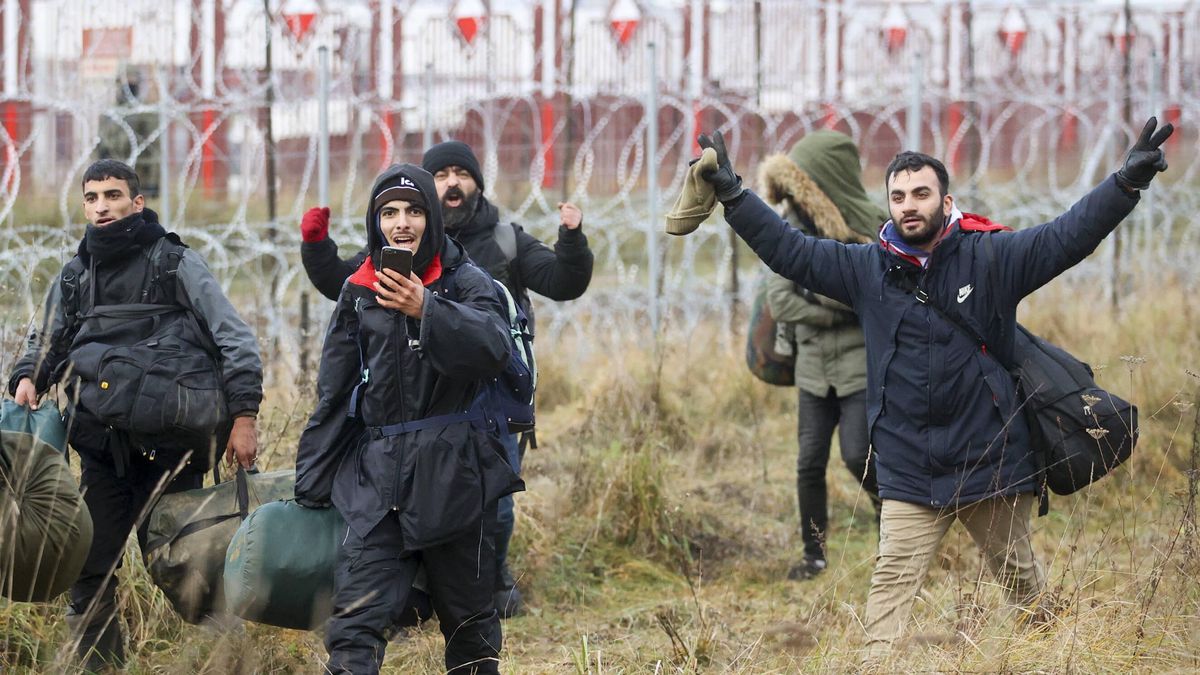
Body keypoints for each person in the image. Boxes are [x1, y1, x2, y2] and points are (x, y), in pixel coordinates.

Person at [694, 117, 1172, 663]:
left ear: (947, 202)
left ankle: (1055, 655)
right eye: (898, 196)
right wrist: (734, 195)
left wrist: (1124, 186)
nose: (908, 205)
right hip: (908, 467)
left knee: (1021, 584)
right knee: (890, 586)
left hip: (989, 461)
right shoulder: (866, 270)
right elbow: (789, 251)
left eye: (921, 193)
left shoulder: (992, 259)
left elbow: (1066, 237)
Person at [299, 140, 594, 616]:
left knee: (491, 504)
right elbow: (348, 287)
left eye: (463, 173)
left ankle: (491, 588)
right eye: (441, 175)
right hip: (416, 408)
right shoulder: (400, 244)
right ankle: (426, 596)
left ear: (477, 183)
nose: (452, 183)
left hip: (489, 399)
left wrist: (572, 240)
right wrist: (316, 247)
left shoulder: (504, 240)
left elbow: (563, 281)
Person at [8, 159, 262, 670]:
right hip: (104, 455)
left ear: (137, 202)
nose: (102, 206)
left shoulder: (174, 263)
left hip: (175, 453)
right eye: (92, 197)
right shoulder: (77, 276)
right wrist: (28, 377)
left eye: (113, 196)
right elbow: (48, 341)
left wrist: (244, 417)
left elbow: (233, 337)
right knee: (88, 573)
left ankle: (229, 663)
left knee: (190, 573)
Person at [294, 163, 523, 674]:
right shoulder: (359, 290)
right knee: (352, 628)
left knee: (470, 629)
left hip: (457, 480)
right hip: (378, 485)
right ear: (376, 222)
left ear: (432, 218)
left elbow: (493, 349)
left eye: (414, 211)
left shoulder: (467, 281)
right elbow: (333, 395)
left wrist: (427, 310)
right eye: (389, 212)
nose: (402, 223)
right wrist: (309, 487)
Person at [756, 131, 882, 580]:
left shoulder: (868, 230)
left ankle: (896, 524)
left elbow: (869, 297)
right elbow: (782, 301)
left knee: (857, 454)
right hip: (811, 370)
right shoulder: (788, 227)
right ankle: (815, 553)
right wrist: (836, 305)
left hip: (856, 369)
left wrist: (819, 292)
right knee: (808, 462)